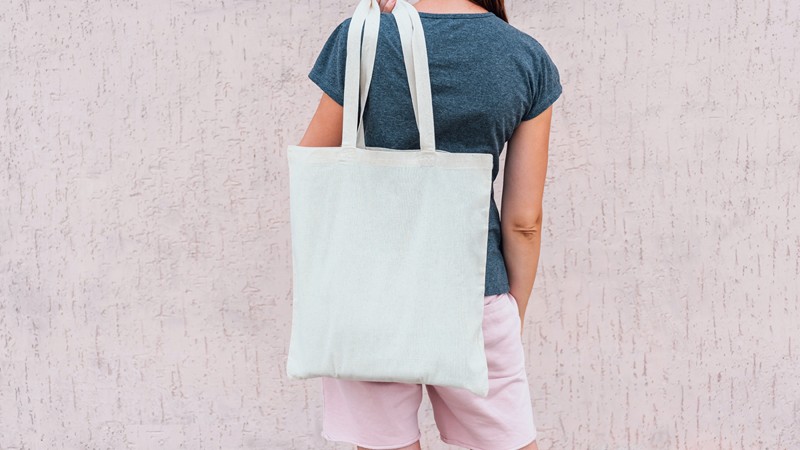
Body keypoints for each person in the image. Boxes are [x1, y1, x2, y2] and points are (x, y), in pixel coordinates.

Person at [297, 0, 562, 448]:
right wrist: (510, 311)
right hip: (475, 295)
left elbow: (313, 165)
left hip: (367, 297)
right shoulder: (525, 57)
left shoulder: (364, 37)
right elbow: (524, 221)